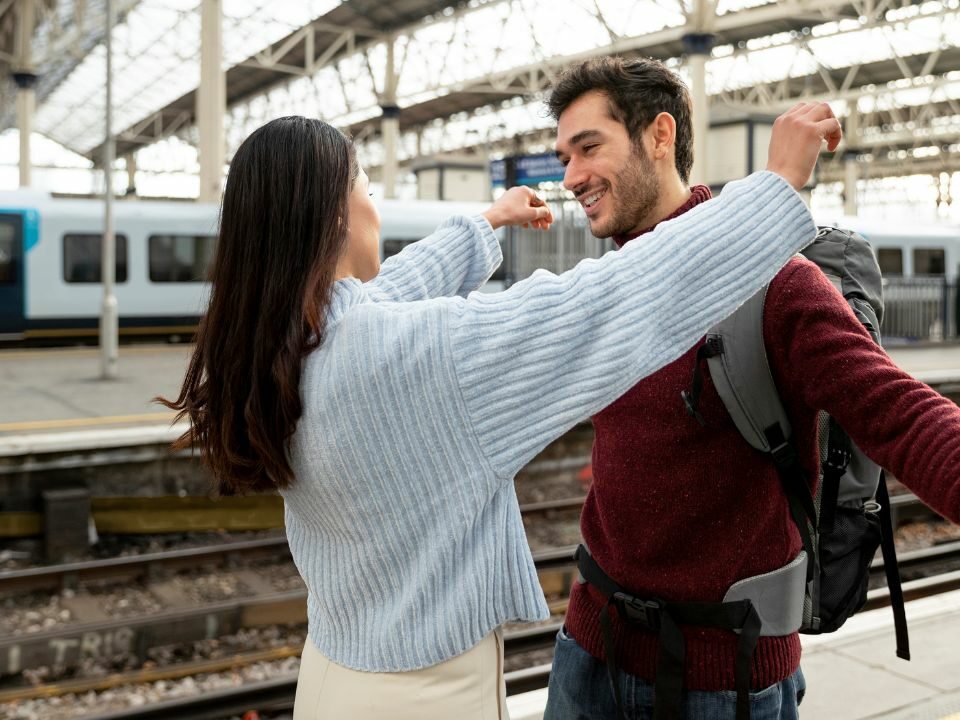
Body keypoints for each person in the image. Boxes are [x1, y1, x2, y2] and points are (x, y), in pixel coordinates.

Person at [159, 109, 836, 720]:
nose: (374, 203)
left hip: (333, 678)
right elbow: (612, 299)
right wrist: (772, 189)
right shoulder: (418, 359)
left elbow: (385, 297)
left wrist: (487, 224)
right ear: (334, 216)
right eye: (363, 185)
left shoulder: (275, 351)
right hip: (428, 701)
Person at [543, 56, 960, 720]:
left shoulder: (776, 284)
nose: (570, 177)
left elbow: (900, 414)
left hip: (722, 680)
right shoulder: (610, 287)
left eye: (588, 147)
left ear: (658, 136)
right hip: (588, 654)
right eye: (564, 156)